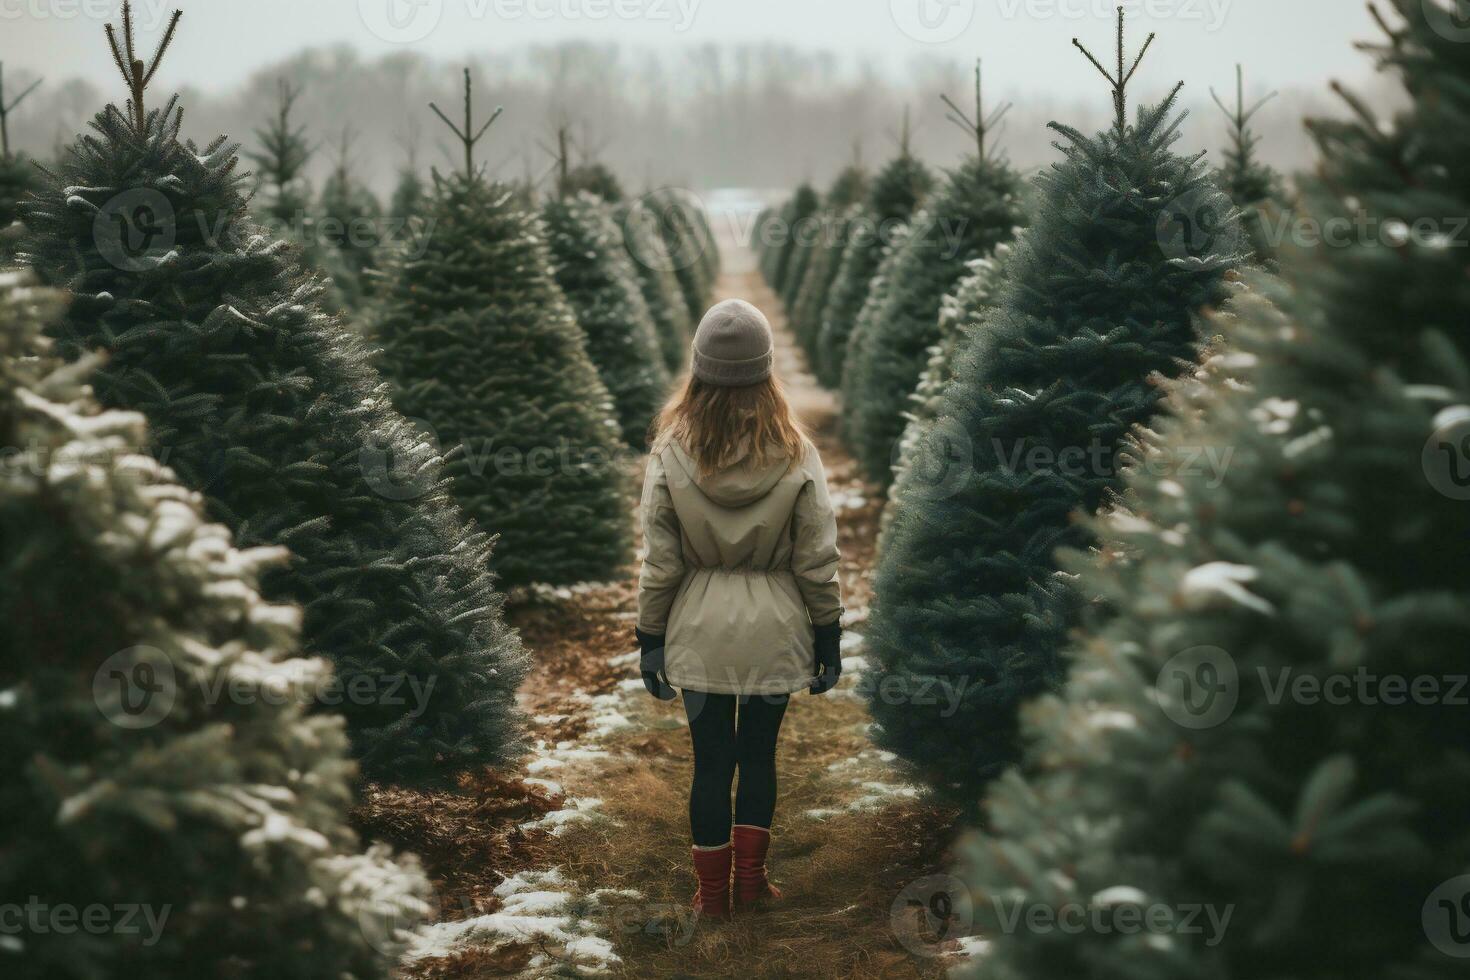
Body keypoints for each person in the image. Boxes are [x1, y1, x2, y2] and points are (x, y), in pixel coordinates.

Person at [635, 297, 844, 921]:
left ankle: (712, 896)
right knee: (758, 756)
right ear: (766, 371)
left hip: (699, 631)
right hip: (775, 630)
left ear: (699, 371)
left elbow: (661, 560)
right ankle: (751, 884)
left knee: (710, 763)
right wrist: (827, 634)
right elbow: (817, 555)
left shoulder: (671, 450)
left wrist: (650, 636)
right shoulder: (796, 451)